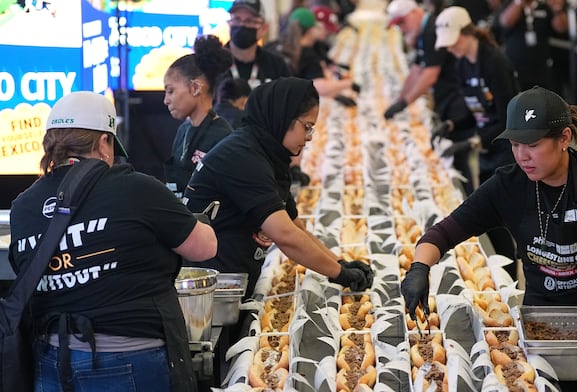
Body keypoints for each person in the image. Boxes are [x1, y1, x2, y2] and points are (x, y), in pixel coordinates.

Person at [10, 91, 217, 391]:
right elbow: (205, 247)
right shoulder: (135, 188)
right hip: (131, 358)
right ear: (104, 143)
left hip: (51, 361)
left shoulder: (23, 206)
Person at [401, 86, 577, 312]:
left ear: (564, 138)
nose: (522, 156)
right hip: (541, 315)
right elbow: (443, 233)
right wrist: (419, 268)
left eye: (533, 145)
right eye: (515, 145)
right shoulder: (507, 185)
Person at [183, 77, 374, 297]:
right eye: (307, 127)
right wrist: (339, 273)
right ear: (283, 118)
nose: (309, 137)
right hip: (211, 287)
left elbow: (294, 226)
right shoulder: (242, 157)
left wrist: (340, 263)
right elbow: (285, 236)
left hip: (230, 279)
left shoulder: (267, 152)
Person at [433, 6, 520, 278]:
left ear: (467, 33)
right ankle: (499, 275)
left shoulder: (495, 62)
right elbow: (476, 112)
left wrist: (473, 141)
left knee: (504, 221)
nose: (449, 49)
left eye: (452, 42)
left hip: (506, 150)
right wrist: (452, 125)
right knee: (490, 220)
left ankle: (510, 280)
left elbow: (508, 116)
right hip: (486, 152)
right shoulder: (462, 64)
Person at [384, 0, 474, 194]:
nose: (402, 29)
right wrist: (400, 99)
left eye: (402, 22)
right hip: (448, 97)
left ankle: (467, 204)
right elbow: (417, 68)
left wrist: (404, 103)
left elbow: (430, 75)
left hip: (457, 98)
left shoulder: (432, 30)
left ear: (416, 13)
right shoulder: (424, 31)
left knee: (458, 160)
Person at [163, 34, 234, 198]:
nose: (166, 100)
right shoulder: (183, 131)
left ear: (195, 88)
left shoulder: (223, 137)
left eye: (171, 91)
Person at [498, 0, 564, 91]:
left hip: (541, 65)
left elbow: (561, 28)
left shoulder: (543, 5)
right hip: (516, 64)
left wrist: (557, 10)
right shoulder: (511, 4)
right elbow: (506, 22)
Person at [226, 0, 291, 89]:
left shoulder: (277, 66)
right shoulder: (212, 64)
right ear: (229, 23)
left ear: (264, 28)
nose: (242, 25)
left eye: (249, 21)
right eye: (237, 19)